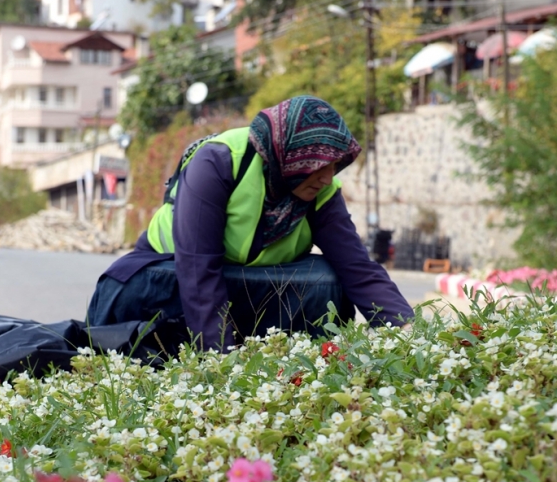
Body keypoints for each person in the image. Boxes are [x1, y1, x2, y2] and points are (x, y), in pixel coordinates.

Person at [86, 95, 413, 354]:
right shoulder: (218, 162)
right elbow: (199, 272)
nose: (328, 176)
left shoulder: (320, 190)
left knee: (329, 280)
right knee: (160, 300)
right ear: (292, 157)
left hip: (246, 285)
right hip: (170, 278)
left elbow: (357, 268)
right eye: (318, 165)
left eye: (335, 165)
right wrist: (222, 359)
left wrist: (406, 333)